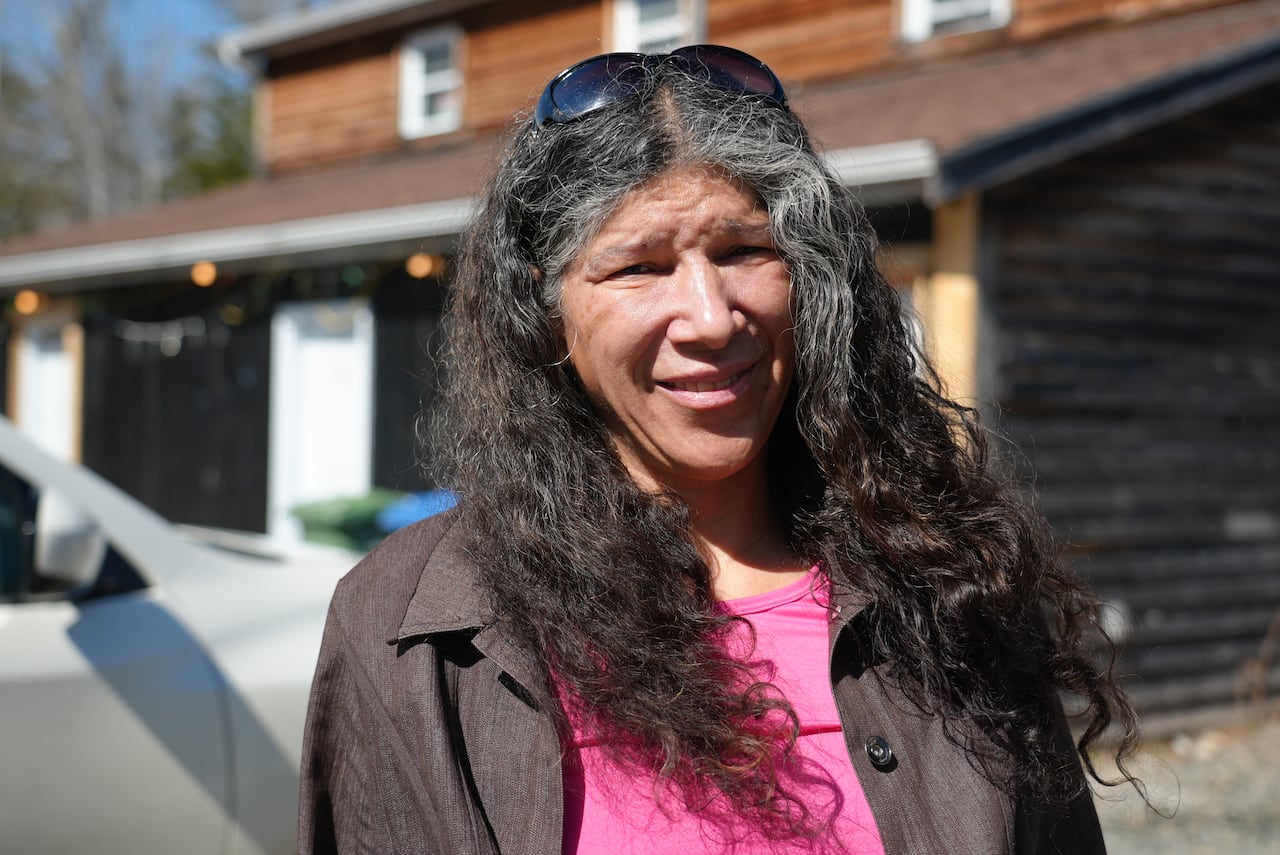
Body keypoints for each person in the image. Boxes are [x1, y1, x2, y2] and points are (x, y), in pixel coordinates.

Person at [298, 45, 1138, 854]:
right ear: (544, 308)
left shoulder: (952, 578)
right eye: (638, 267)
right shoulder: (412, 631)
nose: (710, 316)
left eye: (744, 251)